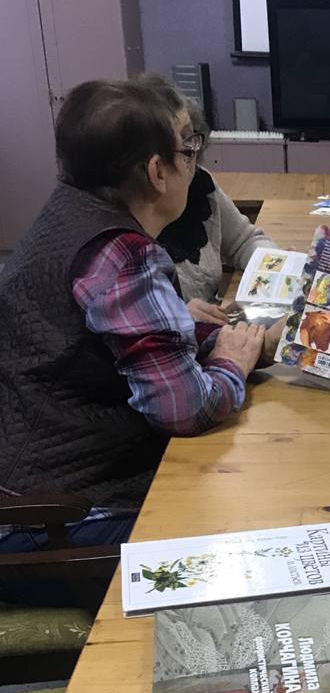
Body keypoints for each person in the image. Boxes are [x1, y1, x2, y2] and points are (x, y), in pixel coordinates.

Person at [0, 74, 276, 558]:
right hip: (57, 519)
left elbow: (122, 339)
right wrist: (233, 363)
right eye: (188, 150)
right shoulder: (123, 256)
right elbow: (185, 409)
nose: (195, 164)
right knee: (262, 504)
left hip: (28, 483)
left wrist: (221, 338)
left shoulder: (69, 212)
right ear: (157, 172)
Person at [157, 101, 278, 319]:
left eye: (192, 142)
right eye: (183, 149)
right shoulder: (126, 232)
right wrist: (179, 318)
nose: (190, 161)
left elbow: (245, 240)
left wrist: (275, 267)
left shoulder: (200, 184)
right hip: (186, 336)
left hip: (217, 326)